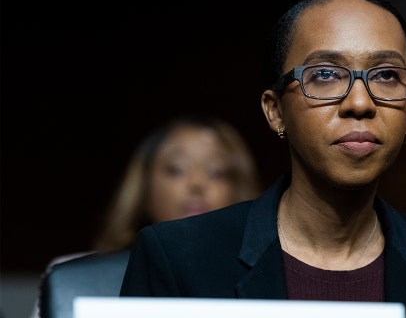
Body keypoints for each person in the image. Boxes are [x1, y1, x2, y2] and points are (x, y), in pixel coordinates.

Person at [120, 0, 406, 318]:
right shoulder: (178, 257)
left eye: (385, 75)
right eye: (325, 74)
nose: (360, 103)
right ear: (275, 111)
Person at [32, 114, 261, 318]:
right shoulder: (73, 276)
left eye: (216, 172)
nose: (197, 183)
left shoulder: (265, 276)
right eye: (177, 169)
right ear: (144, 185)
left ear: (238, 187)